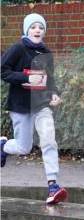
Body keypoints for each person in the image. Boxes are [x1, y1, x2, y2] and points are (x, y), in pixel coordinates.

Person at [0, 13, 68, 204]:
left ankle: (53, 185)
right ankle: (4, 146)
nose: (37, 30)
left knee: (49, 141)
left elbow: (50, 78)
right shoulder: (18, 48)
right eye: (33, 27)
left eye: (41, 27)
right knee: (24, 147)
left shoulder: (46, 52)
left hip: (41, 105)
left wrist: (54, 93)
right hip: (20, 105)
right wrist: (26, 78)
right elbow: (3, 71)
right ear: (27, 30)